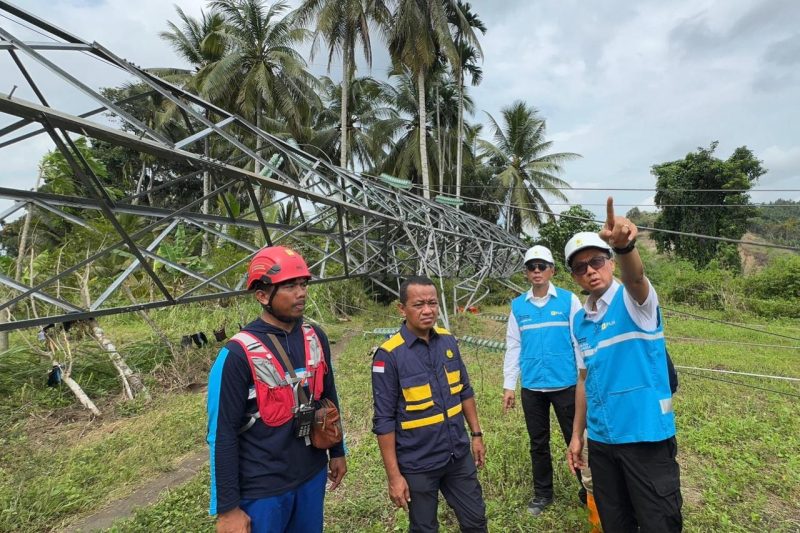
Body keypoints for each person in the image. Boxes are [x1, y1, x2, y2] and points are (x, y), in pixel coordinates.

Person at [207, 246, 347, 533]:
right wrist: (228, 509)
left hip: (311, 474)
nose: (301, 293)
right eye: (290, 286)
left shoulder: (315, 337)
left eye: (303, 284)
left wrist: (337, 451)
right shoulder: (237, 354)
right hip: (263, 488)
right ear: (262, 295)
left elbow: (328, 396)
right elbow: (222, 433)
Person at [566, 198, 682, 533]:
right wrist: (577, 435)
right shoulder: (580, 322)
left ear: (610, 262)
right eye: (580, 267)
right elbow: (584, 380)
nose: (590, 270)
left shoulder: (634, 302)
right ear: (574, 276)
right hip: (602, 441)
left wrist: (625, 247)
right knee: (615, 523)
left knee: (658, 523)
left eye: (597, 261)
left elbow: (636, 278)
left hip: (645, 437)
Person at [372, 276, 488, 532]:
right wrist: (394, 477)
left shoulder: (448, 341)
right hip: (418, 463)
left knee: (476, 520)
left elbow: (464, 390)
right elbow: (384, 421)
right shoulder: (389, 355)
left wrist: (476, 434)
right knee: (424, 528)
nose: (427, 310)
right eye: (418, 304)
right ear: (402, 309)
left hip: (457, 455)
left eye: (432, 303)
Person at [501, 245, 586, 515]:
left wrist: (584, 377)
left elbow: (579, 341)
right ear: (526, 272)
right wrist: (509, 385)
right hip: (532, 387)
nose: (536, 271)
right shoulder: (518, 306)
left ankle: (588, 489)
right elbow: (513, 346)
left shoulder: (569, 301)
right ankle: (542, 494)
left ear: (552, 270)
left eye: (542, 266)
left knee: (575, 438)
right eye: (531, 267)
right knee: (538, 443)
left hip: (566, 385)